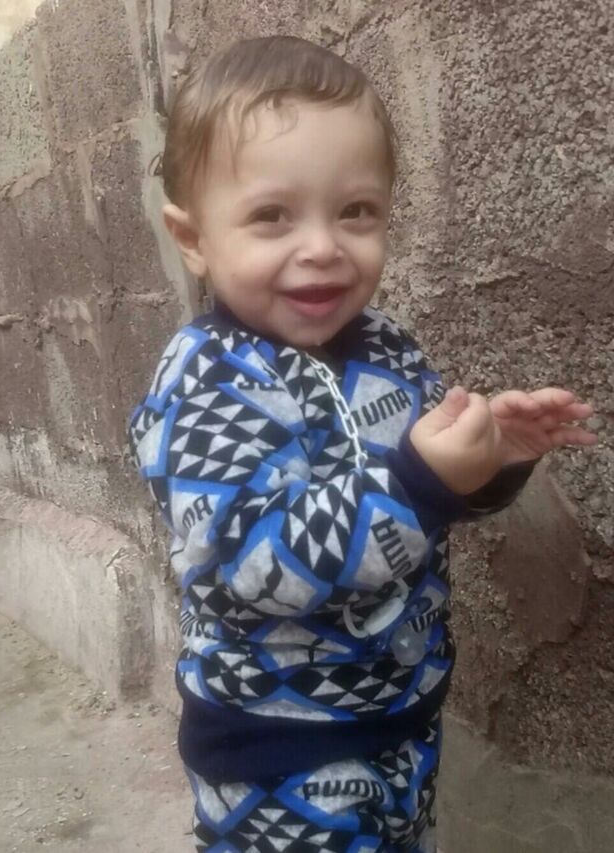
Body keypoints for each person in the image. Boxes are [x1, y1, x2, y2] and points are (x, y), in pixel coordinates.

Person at [128, 35, 597, 853]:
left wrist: (492, 459)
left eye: (355, 212)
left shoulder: (387, 347)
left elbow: (427, 502)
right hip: (279, 755)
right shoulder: (205, 382)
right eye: (272, 216)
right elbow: (251, 562)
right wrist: (418, 479)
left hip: (402, 719)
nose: (323, 245)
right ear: (193, 237)